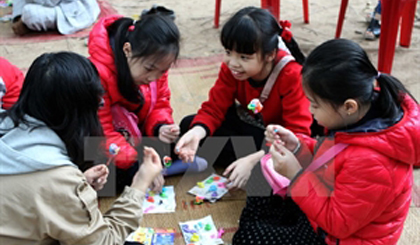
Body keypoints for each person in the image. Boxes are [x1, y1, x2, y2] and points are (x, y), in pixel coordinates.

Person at [240, 39, 419, 244]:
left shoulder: (373, 161)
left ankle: (264, 226)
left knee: (249, 238)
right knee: (261, 172)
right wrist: (297, 146)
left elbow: (337, 224)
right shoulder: (359, 117)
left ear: (348, 107)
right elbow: (332, 159)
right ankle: (269, 223)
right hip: (325, 203)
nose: (310, 110)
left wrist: (295, 175)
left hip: (337, 236)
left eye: (315, 105)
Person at [0, 52, 163, 244]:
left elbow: (28, 196)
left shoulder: (8, 128)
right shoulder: (59, 179)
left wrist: (77, 185)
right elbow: (104, 241)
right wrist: (140, 185)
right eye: (97, 105)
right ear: (80, 114)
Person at [176, 7, 312, 190]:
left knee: (289, 163)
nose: (232, 62)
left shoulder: (292, 75)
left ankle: (254, 166)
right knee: (189, 125)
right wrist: (197, 132)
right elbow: (215, 108)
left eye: (244, 57)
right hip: (257, 131)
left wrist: (256, 158)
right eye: (228, 52)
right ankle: (252, 166)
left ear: (270, 55)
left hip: (282, 140)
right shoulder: (233, 69)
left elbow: (297, 135)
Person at [88, 12, 205, 192]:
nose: (154, 78)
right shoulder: (97, 76)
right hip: (108, 143)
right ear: (127, 50)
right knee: (106, 175)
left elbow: (160, 103)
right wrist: (140, 163)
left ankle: (159, 166)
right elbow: (103, 133)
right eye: (149, 69)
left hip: (136, 135)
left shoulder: (157, 66)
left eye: (162, 71)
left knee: (181, 137)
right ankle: (160, 169)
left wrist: (161, 128)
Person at [11, 0, 100, 36]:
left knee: (30, 14)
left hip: (72, 8)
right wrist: (18, 16)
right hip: (46, 3)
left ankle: (28, 23)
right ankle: (22, 19)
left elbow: (51, 2)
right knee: (26, 12)